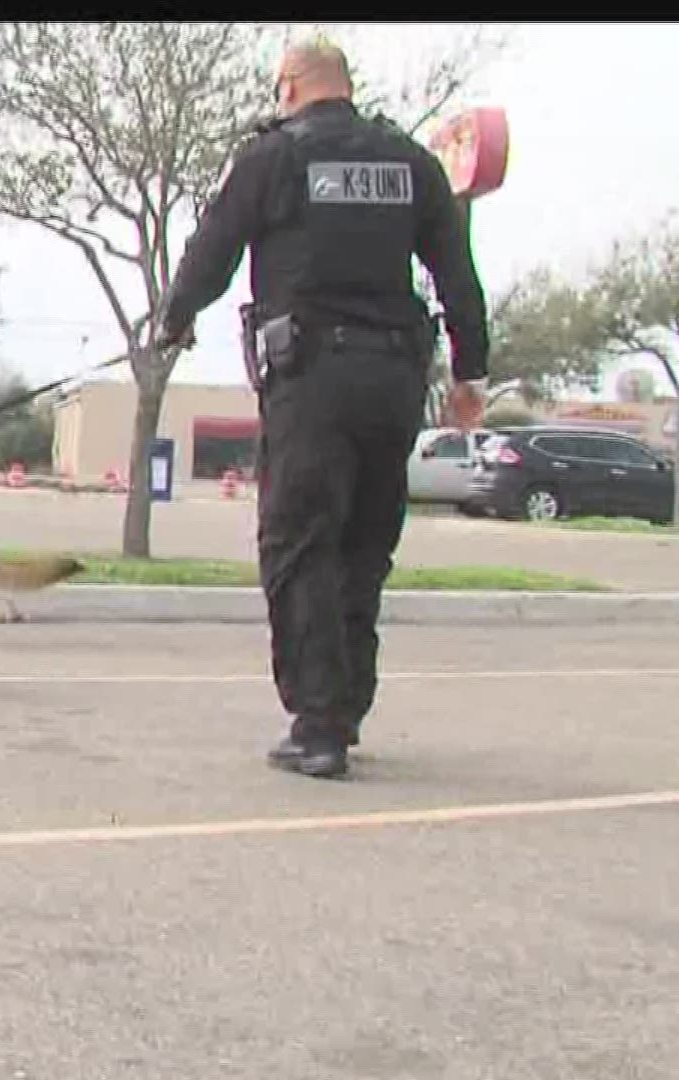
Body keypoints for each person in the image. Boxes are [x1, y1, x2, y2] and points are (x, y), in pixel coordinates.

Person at [154, 37, 490, 780]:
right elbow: (455, 270)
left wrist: (173, 321)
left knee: (300, 540)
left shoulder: (272, 157)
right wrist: (472, 369)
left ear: (291, 86)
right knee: (362, 545)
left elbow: (212, 249)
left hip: (313, 379)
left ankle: (316, 726)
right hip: (394, 380)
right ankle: (345, 705)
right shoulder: (409, 163)